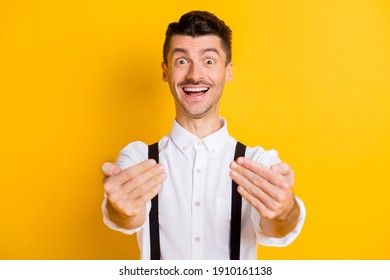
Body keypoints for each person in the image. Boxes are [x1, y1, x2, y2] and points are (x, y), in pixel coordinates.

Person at [101, 10, 306, 260]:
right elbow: (127, 218)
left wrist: (285, 211)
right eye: (182, 61)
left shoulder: (258, 163)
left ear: (227, 71)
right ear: (166, 72)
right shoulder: (138, 158)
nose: (195, 75)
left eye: (209, 61)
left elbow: (278, 229)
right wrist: (120, 209)